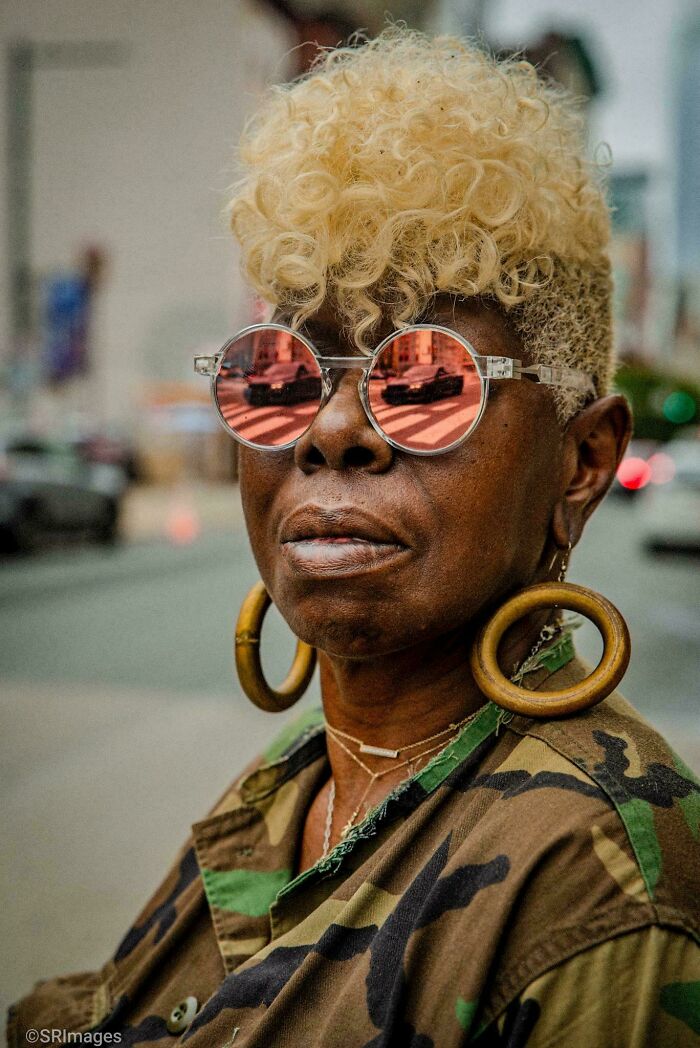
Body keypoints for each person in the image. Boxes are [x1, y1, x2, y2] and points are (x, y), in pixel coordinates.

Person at [9, 27, 700, 1048]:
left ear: (581, 461)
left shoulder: (602, 881)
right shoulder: (301, 777)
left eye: (424, 379)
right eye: (280, 375)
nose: (332, 428)